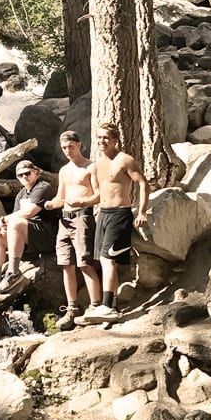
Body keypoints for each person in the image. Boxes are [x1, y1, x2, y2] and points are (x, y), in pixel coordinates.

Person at [81, 123, 149, 324]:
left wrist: (142, 211)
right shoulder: (97, 164)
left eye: (106, 138)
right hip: (102, 214)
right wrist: (81, 203)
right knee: (103, 261)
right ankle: (113, 306)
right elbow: (100, 193)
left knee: (107, 260)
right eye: (99, 138)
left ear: (115, 140)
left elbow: (143, 183)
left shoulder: (125, 160)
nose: (102, 141)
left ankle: (107, 306)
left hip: (120, 214)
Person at [43, 131, 102, 331]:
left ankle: (95, 307)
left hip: (83, 217)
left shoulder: (91, 167)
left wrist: (82, 202)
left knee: (84, 263)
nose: (68, 151)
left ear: (79, 145)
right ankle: (72, 308)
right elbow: (61, 196)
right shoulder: (64, 170)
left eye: (71, 146)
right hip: (64, 220)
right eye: (64, 148)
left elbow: (99, 195)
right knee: (66, 264)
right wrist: (51, 204)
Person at [0, 160, 56, 297]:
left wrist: (4, 220)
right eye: (20, 175)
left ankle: (13, 272)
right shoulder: (21, 194)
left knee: (15, 223)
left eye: (27, 173)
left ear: (35, 172)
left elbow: (30, 212)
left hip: (47, 235)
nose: (24, 177)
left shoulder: (43, 187)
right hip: (27, 237)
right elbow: (14, 219)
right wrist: (4, 228)